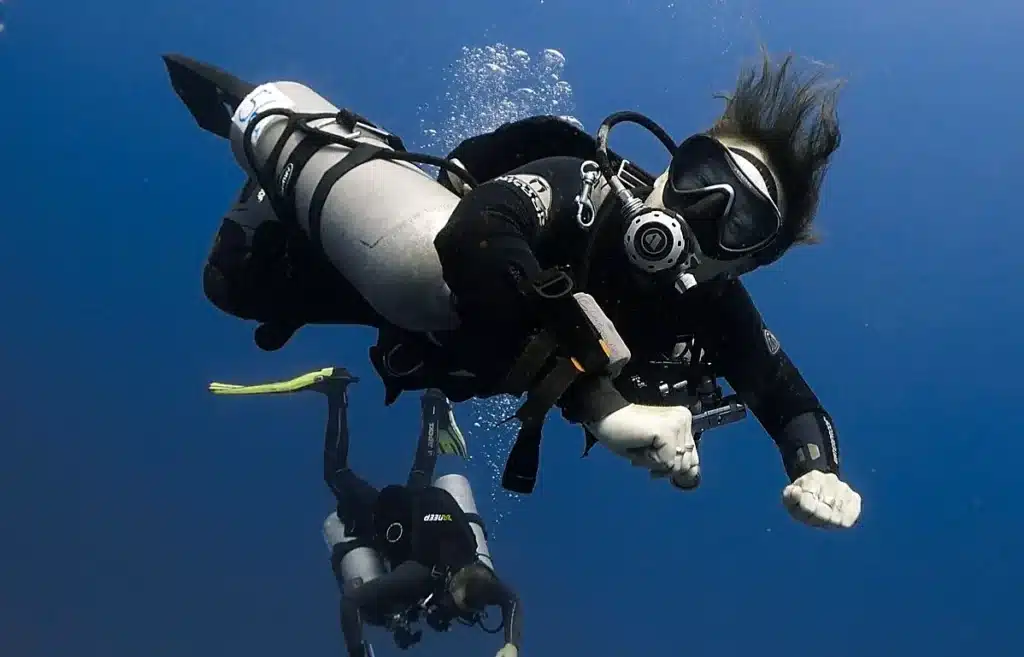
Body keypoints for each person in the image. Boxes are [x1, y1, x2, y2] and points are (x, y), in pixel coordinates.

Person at [167, 50, 861, 530]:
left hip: (448, 350)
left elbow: (789, 400)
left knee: (234, 289)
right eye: (700, 175)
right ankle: (307, 142)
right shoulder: (586, 186)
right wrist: (601, 405)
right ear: (668, 168)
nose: (700, 210)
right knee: (241, 280)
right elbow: (474, 234)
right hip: (431, 286)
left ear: (744, 264)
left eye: (739, 220)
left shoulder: (716, 308)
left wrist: (818, 471)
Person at [208, 367, 521, 657]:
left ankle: (434, 404)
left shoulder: (474, 571)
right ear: (453, 585)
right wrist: (358, 652)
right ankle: (335, 392)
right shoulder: (418, 576)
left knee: (420, 477)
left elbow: (510, 600)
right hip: (387, 514)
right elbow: (351, 602)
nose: (451, 614)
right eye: (455, 609)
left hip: (424, 504)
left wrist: (511, 645)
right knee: (336, 473)